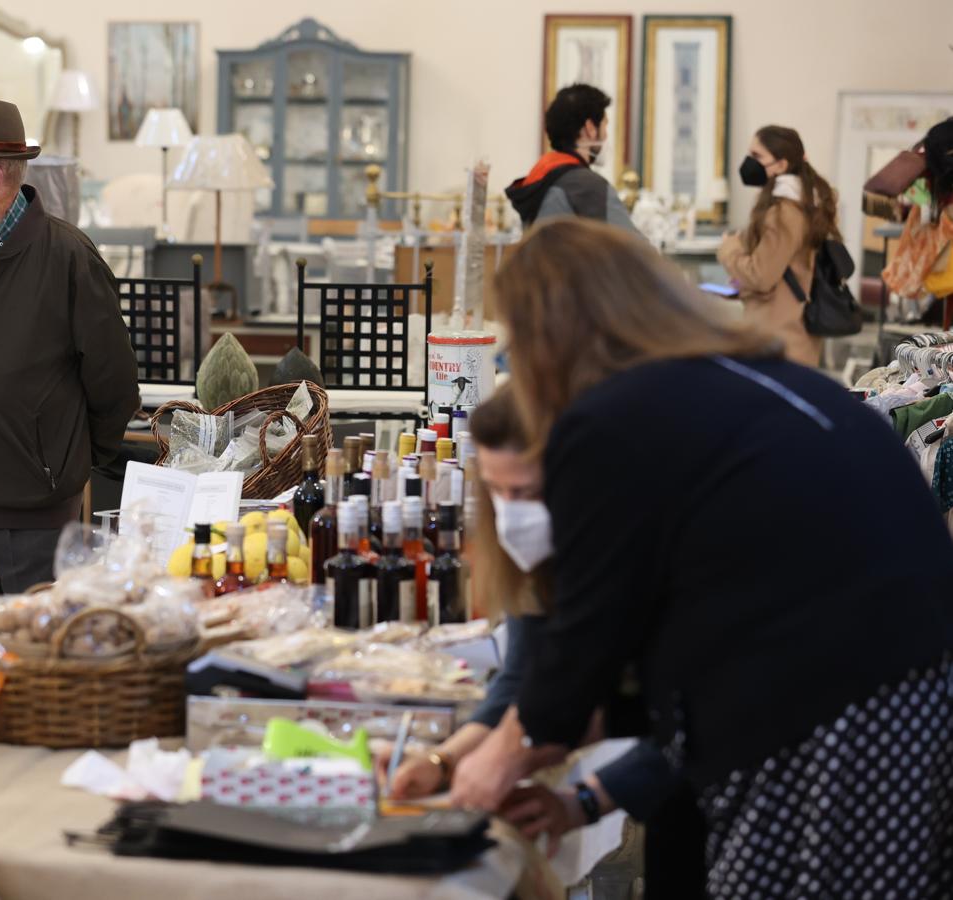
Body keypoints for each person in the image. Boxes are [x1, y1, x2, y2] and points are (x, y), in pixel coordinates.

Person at [475, 217, 953, 899]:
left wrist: (488, 766)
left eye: (518, 341)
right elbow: (679, 657)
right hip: (899, 704)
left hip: (832, 722)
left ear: (555, 331)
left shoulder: (612, 417)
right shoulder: (737, 382)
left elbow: (587, 643)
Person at [381, 385, 704, 895]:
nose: (513, 516)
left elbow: (703, 717)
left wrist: (585, 797)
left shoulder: (661, 556)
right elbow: (521, 686)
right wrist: (443, 762)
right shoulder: (536, 565)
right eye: (498, 493)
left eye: (528, 493)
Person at [0, 95, 140, 593]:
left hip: (34, 517)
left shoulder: (68, 258)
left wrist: (58, 465)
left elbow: (114, 384)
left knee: (33, 659)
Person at [717, 126, 840, 366]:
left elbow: (761, 275)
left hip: (779, 339)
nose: (749, 162)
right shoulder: (805, 205)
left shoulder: (785, 212)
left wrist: (729, 248)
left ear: (781, 165)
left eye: (757, 156)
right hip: (789, 332)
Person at [505, 84, 639, 234]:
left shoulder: (540, 176)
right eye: (604, 125)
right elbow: (637, 248)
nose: (606, 136)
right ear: (590, 128)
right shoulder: (588, 186)